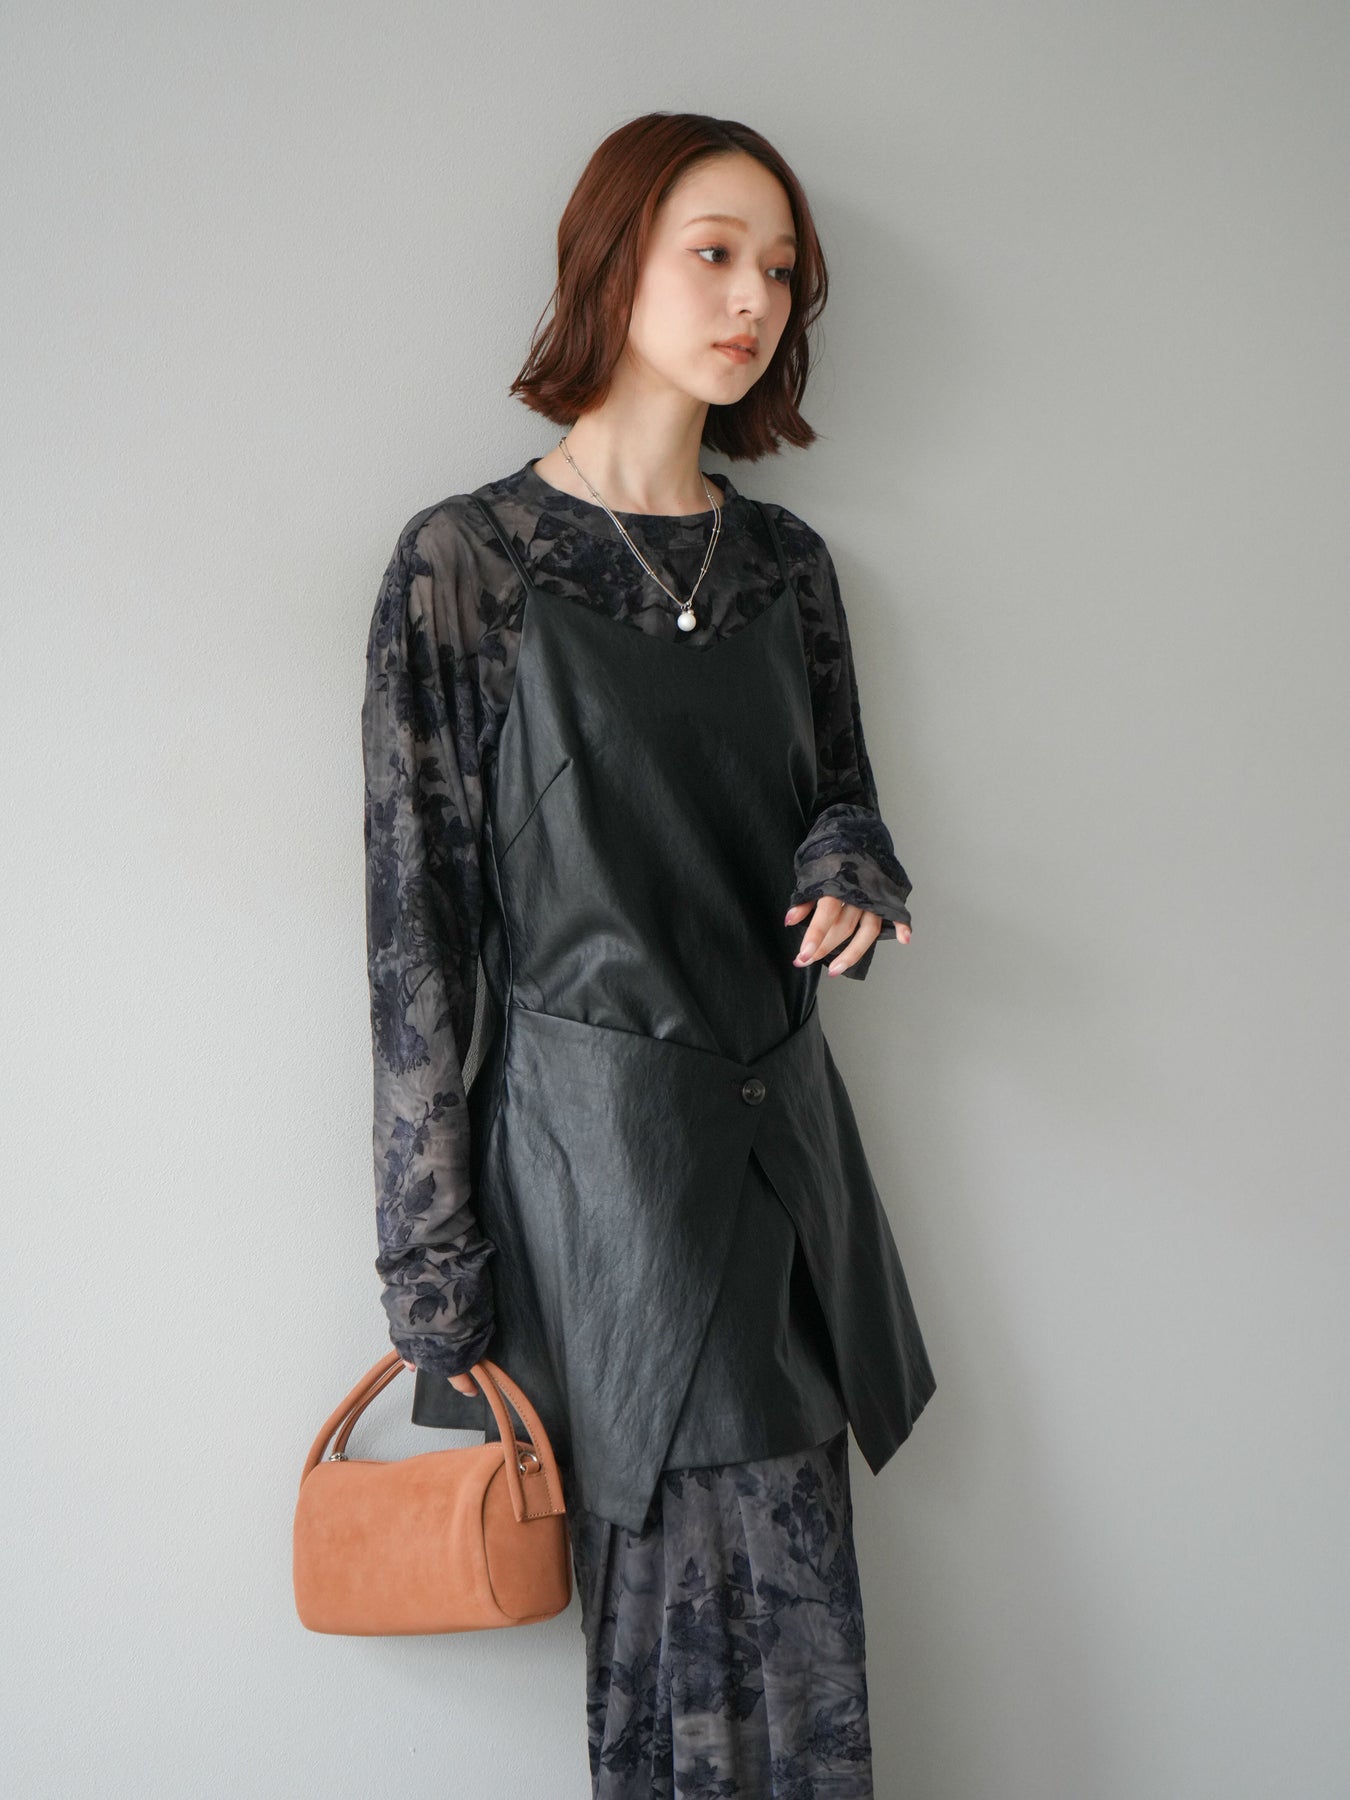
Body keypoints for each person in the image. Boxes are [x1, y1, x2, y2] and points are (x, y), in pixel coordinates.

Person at [361, 111, 937, 1798]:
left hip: (782, 1166)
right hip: (596, 1183)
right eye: (714, 253)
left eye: (780, 270)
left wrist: (850, 862)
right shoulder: (465, 564)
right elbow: (416, 938)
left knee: (805, 1666)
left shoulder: (786, 567)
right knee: (674, 1660)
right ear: (610, 264)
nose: (754, 297)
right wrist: (432, 1268)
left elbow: (841, 802)